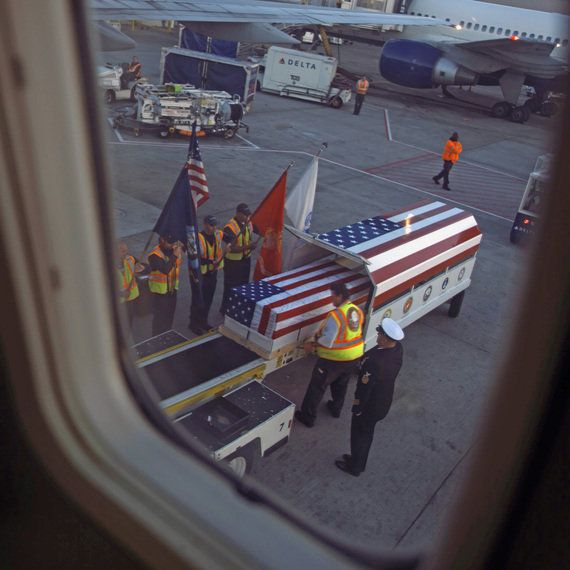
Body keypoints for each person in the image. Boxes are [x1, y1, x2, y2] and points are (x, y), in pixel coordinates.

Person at [335, 318, 404, 477]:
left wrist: (357, 407)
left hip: (369, 406)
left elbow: (364, 388)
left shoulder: (374, 362)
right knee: (367, 434)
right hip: (383, 402)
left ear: (386, 339)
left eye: (379, 334)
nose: (377, 335)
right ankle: (359, 461)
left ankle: (355, 466)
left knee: (359, 435)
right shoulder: (397, 349)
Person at [294, 283, 365, 428]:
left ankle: (308, 417)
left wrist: (311, 344)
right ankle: (336, 409)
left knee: (317, 386)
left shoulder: (336, 316)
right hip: (354, 356)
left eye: (333, 296)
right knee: (341, 384)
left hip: (334, 360)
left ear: (339, 296)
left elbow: (327, 341)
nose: (331, 299)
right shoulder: (356, 310)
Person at [189, 215, 226, 334]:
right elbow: (195, 258)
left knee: (208, 299)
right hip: (201, 275)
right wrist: (211, 261)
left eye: (215, 225)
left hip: (212, 273)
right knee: (198, 300)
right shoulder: (198, 238)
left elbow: (229, 237)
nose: (214, 228)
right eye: (211, 225)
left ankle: (203, 321)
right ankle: (194, 324)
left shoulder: (217, 234)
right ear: (205, 224)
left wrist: (231, 244)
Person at [220, 203, 257, 314]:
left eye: (248, 215)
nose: (247, 217)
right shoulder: (230, 227)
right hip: (233, 263)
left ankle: (237, 307)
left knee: (243, 285)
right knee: (231, 287)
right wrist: (248, 247)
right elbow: (232, 248)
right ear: (238, 214)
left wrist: (250, 247)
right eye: (244, 215)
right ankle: (226, 309)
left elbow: (249, 238)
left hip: (245, 260)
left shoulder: (248, 224)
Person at [148, 234, 183, 336]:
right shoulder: (154, 255)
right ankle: (157, 339)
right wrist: (175, 255)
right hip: (160, 294)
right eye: (170, 242)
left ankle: (167, 336)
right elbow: (165, 269)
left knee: (169, 317)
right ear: (162, 240)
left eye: (174, 242)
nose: (173, 244)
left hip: (172, 290)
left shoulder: (173, 249)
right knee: (159, 320)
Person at [117, 240, 144, 325]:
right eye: (123, 251)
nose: (126, 253)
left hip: (130, 299)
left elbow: (145, 267)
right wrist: (120, 293)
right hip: (118, 303)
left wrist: (141, 268)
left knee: (128, 324)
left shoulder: (130, 259)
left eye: (126, 250)